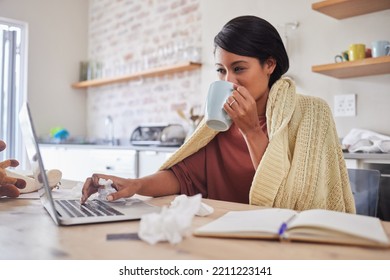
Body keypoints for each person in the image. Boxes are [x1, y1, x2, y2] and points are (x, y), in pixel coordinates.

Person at [81, 15, 355, 213]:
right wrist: (133, 184)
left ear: (269, 64)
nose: (229, 80)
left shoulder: (311, 114)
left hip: (278, 239)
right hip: (219, 232)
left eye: (239, 68)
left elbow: (294, 202)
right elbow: (183, 177)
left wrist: (250, 130)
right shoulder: (215, 124)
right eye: (221, 70)